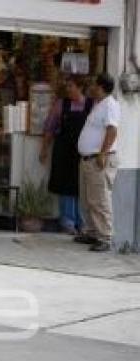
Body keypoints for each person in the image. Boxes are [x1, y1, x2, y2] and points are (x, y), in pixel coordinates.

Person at [39, 76, 93, 235]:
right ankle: (67, 222)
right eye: (67, 86)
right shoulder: (61, 104)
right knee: (65, 186)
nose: (68, 89)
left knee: (81, 186)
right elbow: (50, 127)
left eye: (71, 86)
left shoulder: (91, 105)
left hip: (82, 152)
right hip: (63, 151)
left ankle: (82, 223)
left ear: (80, 87)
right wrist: (44, 149)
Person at [76, 73, 120, 252]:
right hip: (88, 159)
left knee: (100, 200)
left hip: (99, 159)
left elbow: (112, 130)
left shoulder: (110, 105)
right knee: (87, 199)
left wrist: (102, 153)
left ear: (100, 87)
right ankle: (92, 232)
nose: (91, 87)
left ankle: (104, 237)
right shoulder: (98, 105)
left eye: (94, 84)